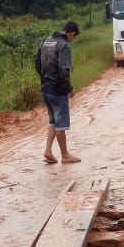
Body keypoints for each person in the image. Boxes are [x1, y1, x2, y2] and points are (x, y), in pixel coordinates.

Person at [36, 21, 81, 164]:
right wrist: (69, 88)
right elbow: (63, 70)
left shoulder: (45, 41)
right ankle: (65, 155)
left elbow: (37, 64)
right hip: (57, 90)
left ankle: (48, 151)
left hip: (45, 89)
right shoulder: (64, 45)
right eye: (74, 37)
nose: (72, 40)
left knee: (53, 121)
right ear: (72, 33)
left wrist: (45, 79)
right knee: (61, 124)